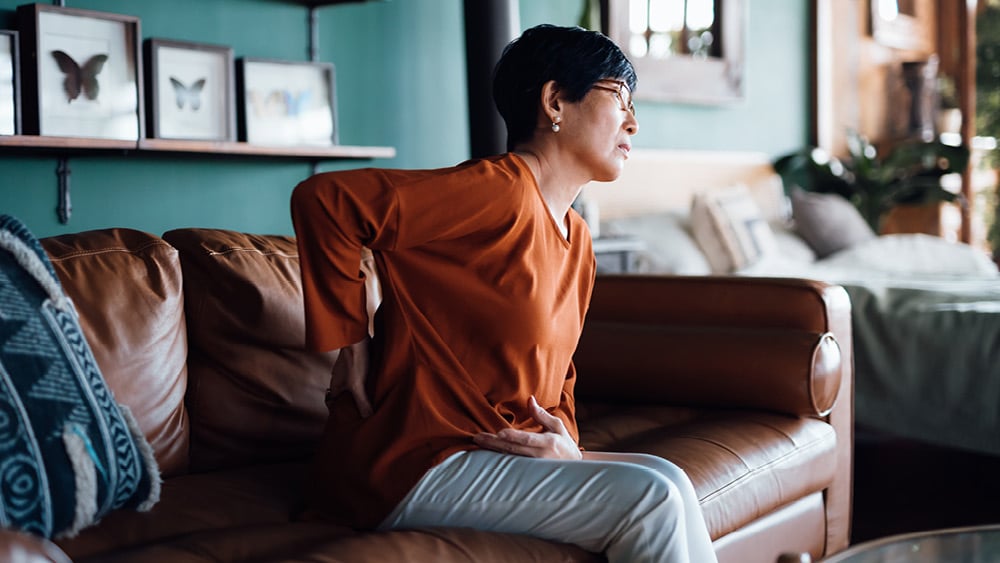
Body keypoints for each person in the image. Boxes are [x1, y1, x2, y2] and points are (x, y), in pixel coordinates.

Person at [291, 23, 718, 563]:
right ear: (555, 100)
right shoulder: (501, 191)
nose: (633, 122)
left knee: (669, 478)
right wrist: (349, 344)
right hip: (415, 460)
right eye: (619, 98)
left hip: (498, 456)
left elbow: (558, 378)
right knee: (652, 498)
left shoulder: (578, 239)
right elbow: (325, 201)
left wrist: (569, 446)